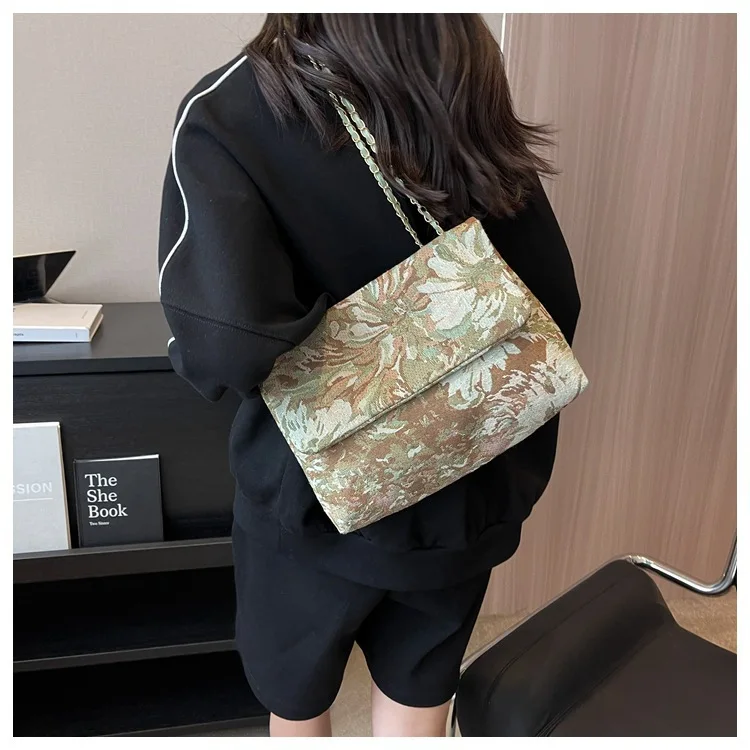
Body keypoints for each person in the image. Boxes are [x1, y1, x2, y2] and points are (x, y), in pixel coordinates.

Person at [157, 13, 581, 738]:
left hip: (316, 496)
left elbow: (225, 346)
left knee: (297, 702)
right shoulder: (459, 55)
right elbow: (552, 295)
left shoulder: (232, 106)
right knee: (419, 696)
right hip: (468, 483)